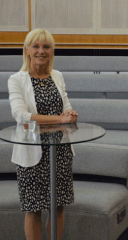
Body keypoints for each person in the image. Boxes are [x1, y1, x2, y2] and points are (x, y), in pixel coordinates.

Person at [8, 29, 78, 240]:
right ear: (27, 50)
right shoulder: (16, 79)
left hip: (59, 152)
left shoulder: (57, 76)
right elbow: (21, 115)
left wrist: (70, 113)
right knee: (34, 209)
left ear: (52, 51)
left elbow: (66, 107)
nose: (41, 51)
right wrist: (59, 118)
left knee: (58, 207)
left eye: (46, 47)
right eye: (36, 46)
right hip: (32, 152)